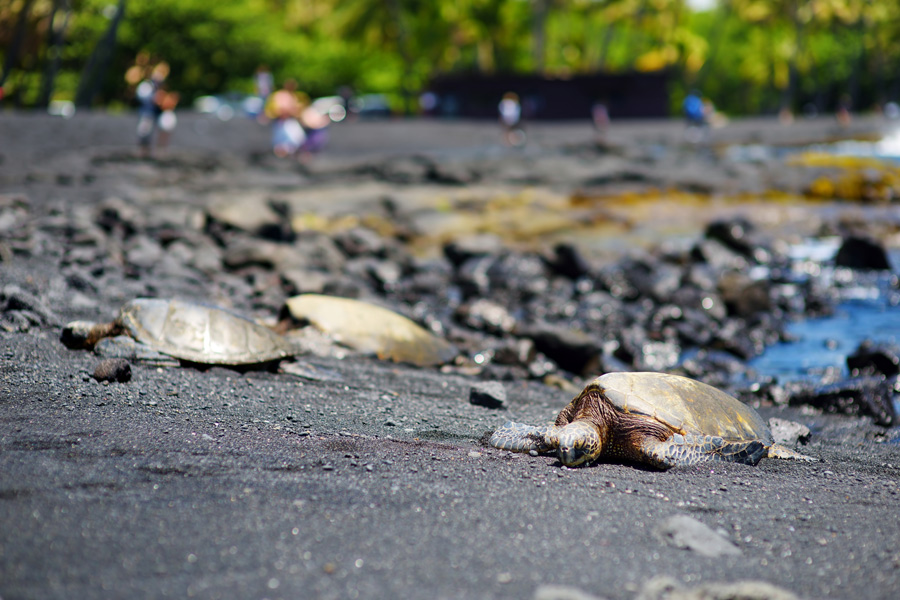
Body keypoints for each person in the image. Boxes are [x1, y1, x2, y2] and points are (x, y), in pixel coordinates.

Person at [266, 79, 306, 158]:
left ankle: (287, 154)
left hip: (289, 120)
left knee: (296, 137)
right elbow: (278, 109)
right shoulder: (280, 95)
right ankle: (280, 154)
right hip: (281, 120)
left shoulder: (293, 95)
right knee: (282, 138)